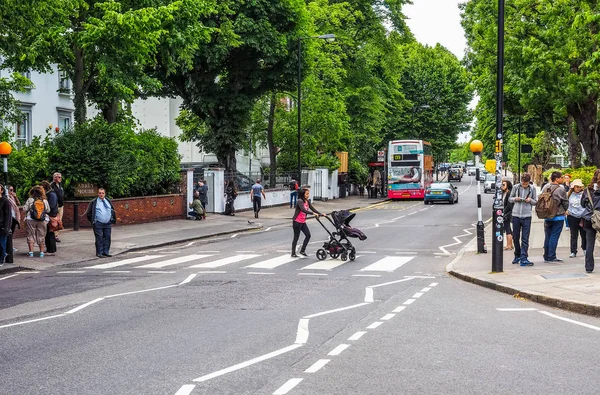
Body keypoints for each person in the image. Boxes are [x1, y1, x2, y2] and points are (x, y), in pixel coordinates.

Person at [509, 173, 538, 266]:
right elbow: (510, 199)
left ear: (529, 182)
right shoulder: (516, 187)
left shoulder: (532, 188)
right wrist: (515, 199)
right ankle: (517, 255)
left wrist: (530, 200)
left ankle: (524, 257)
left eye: (526, 184)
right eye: (523, 183)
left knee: (525, 238)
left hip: (527, 216)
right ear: (521, 181)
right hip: (516, 215)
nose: (524, 185)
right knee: (515, 237)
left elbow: (535, 202)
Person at [541, 171, 569, 263]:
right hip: (558, 216)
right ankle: (551, 256)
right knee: (554, 236)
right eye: (561, 177)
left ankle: (546, 255)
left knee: (547, 236)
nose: (563, 179)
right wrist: (565, 210)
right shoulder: (561, 189)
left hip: (547, 215)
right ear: (557, 179)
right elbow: (565, 201)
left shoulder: (546, 187)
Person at [291, 188, 323, 257]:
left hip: (302, 221)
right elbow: (303, 210)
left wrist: (321, 214)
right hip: (297, 222)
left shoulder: (307, 201)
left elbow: (313, 208)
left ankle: (302, 250)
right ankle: (293, 253)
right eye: (307, 193)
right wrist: (313, 213)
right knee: (296, 237)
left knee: (308, 235)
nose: (308, 195)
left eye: (308, 193)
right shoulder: (300, 201)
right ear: (303, 194)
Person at [85, 188, 116, 258]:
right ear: (97, 194)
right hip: (98, 223)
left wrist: (111, 219)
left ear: (105, 194)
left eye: (102, 193)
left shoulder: (108, 201)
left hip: (107, 223)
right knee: (99, 238)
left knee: (107, 237)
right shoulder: (94, 202)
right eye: (100, 193)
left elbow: (112, 210)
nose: (101, 194)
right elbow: (89, 213)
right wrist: (94, 221)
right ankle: (99, 253)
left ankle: (106, 252)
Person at [581, 169, 600, 273]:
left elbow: (582, 204)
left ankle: (589, 267)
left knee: (589, 244)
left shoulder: (588, 190)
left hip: (589, 218)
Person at [23, 185, 50, 257]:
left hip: (30, 219)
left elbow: (25, 209)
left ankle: (31, 253)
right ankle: (41, 253)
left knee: (30, 235)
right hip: (42, 220)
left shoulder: (30, 199)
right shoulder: (44, 201)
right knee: (41, 235)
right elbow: (48, 210)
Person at [566, 179, 586, 258]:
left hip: (582, 216)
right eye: (576, 187)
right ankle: (573, 251)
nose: (578, 188)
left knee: (583, 234)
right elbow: (565, 203)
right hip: (572, 216)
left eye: (579, 187)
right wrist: (566, 210)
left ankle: (585, 248)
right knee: (574, 234)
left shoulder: (584, 194)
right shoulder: (569, 194)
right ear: (573, 187)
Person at [41, 181, 58, 256]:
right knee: (48, 233)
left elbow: (52, 205)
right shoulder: (50, 194)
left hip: (51, 216)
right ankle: (49, 249)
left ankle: (51, 250)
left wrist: (44, 210)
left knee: (50, 233)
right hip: (49, 215)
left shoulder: (51, 194)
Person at [0, 185, 12, 266]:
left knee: (1, 243)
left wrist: (6, 227)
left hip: (2, 226)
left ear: (1, 191)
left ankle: (1, 259)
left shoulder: (5, 201)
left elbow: (8, 215)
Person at [50, 172, 64, 242]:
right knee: (54, 221)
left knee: (59, 221)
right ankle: (54, 235)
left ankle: (56, 235)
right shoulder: (51, 185)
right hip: (55, 206)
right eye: (58, 177)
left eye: (60, 177)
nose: (60, 178)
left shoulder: (60, 185)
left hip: (61, 206)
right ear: (54, 177)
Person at [7, 186, 21, 251]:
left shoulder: (12, 197)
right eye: (10, 190)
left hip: (14, 217)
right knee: (8, 233)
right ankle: (9, 247)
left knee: (11, 233)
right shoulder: (6, 198)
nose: (12, 191)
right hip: (9, 217)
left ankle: (10, 246)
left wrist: (15, 197)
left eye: (12, 190)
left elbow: (18, 204)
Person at [501, 180, 514, 250]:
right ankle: (510, 245)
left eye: (503, 185)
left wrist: (503, 213)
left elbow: (509, 206)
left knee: (507, 229)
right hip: (506, 213)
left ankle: (509, 245)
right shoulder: (504, 194)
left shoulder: (509, 193)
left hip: (507, 214)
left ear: (507, 186)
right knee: (508, 229)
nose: (502, 186)